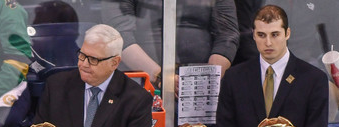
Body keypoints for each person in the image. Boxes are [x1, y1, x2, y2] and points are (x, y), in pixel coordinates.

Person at [35, 24, 153, 127]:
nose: (83, 64)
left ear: (115, 62)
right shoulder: (56, 87)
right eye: (82, 55)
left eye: (93, 59)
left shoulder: (136, 99)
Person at [216, 4, 329, 127]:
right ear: (253, 34)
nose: (268, 42)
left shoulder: (314, 79)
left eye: (275, 34)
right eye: (262, 35)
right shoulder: (234, 78)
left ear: (287, 33)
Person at [102, 0, 239, 82]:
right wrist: (160, 77)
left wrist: (209, 78)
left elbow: (227, 34)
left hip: (199, 82)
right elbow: (119, 36)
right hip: (143, 77)